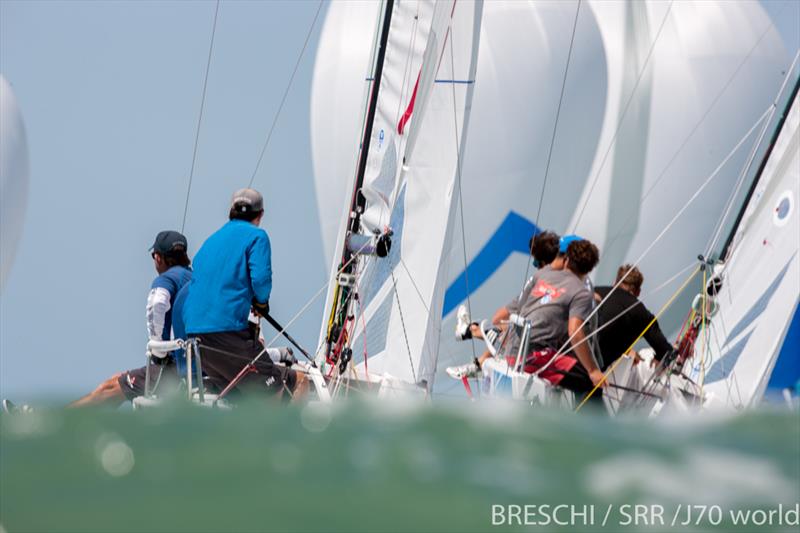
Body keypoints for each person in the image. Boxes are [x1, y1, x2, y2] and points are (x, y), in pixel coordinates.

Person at [183, 188, 304, 400]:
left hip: (195, 340)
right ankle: (286, 433)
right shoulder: (257, 236)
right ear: (261, 215)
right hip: (227, 334)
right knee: (293, 384)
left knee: (241, 397)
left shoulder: (210, 241)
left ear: (231, 211)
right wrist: (261, 303)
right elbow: (261, 280)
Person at [447, 238, 606, 396]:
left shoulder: (542, 274)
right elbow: (575, 333)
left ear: (567, 259)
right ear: (590, 268)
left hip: (511, 352)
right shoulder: (581, 293)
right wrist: (593, 371)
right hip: (531, 358)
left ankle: (474, 340)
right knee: (589, 381)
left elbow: (517, 311)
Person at [61, 231, 192, 408]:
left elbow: (157, 302)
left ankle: (50, 421)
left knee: (108, 389)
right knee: (117, 380)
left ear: (159, 258)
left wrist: (158, 350)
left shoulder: (167, 279)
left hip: (173, 370)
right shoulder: (193, 278)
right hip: (194, 364)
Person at [594, 264, 673, 370]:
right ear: (638, 292)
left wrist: (627, 350)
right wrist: (658, 359)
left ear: (615, 282)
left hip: (567, 356)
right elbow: (665, 351)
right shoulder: (641, 313)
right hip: (590, 373)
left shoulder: (594, 290)